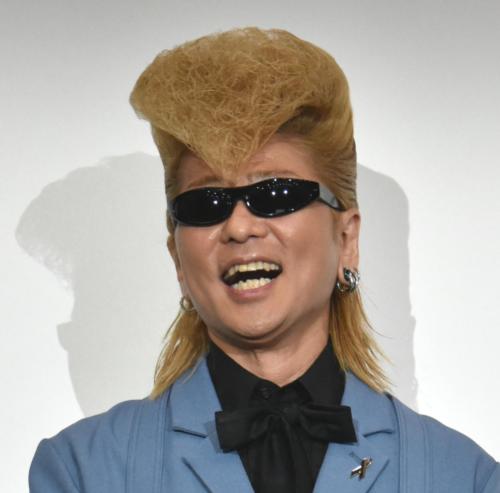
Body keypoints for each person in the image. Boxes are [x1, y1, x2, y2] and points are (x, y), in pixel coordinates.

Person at [29, 27, 499, 493]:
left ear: (347, 238)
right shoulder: (81, 470)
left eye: (276, 194)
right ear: (178, 260)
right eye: (206, 203)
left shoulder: (465, 477)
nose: (239, 226)